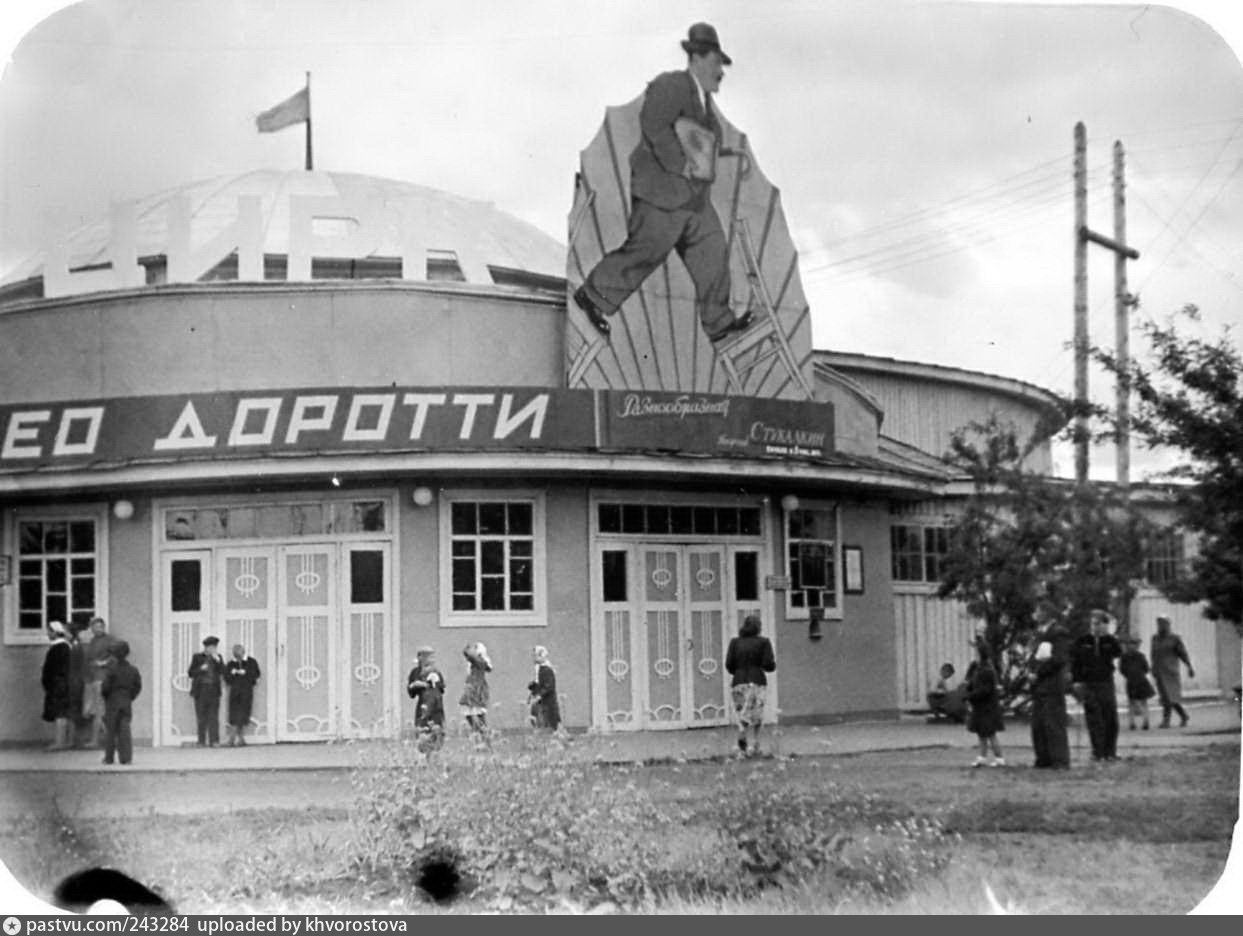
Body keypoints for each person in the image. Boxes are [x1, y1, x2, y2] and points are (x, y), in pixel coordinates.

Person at [572, 23, 756, 346]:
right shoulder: (672, 85)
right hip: (660, 194)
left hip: (693, 200)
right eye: (717, 63)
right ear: (698, 58)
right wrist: (681, 163)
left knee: (712, 249)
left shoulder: (705, 104)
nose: (721, 72)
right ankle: (592, 295)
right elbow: (653, 124)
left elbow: (697, 142)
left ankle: (719, 322)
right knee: (645, 251)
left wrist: (727, 154)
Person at [1070, 609, 1123, 762]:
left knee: (1110, 717)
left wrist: (1108, 636)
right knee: (1094, 717)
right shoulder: (1083, 641)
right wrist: (1076, 681)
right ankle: (1097, 751)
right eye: (1093, 624)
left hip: (1105, 682)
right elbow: (1076, 663)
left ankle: (1110, 751)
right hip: (1089, 683)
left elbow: (1118, 654)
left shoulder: (1110, 641)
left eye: (1099, 624)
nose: (1096, 627)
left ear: (1105, 625)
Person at [724, 613, 776, 758]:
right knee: (756, 713)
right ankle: (756, 744)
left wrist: (739, 671)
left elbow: (729, 664)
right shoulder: (764, 642)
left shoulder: (734, 642)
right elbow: (768, 665)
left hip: (739, 680)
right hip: (757, 680)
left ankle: (742, 738)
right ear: (758, 628)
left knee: (742, 712)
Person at [1028, 635, 1070, 769]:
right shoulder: (1036, 661)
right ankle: (1044, 758)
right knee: (1039, 728)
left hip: (1051, 695)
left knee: (1054, 728)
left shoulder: (1053, 661)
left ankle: (1059, 760)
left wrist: (1036, 676)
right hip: (1041, 695)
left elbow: (1056, 664)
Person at [964, 635, 1006, 767]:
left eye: (976, 652)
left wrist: (970, 696)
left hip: (988, 707)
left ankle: (999, 758)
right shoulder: (978, 668)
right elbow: (972, 682)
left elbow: (985, 690)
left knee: (990, 733)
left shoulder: (987, 669)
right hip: (980, 706)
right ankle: (982, 756)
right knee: (981, 733)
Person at [1150, 615, 1195, 728]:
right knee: (1165, 698)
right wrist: (1153, 668)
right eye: (1159, 624)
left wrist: (1189, 666)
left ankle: (1172, 718)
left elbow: (1182, 653)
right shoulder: (1155, 638)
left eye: (1164, 623)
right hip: (1160, 671)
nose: (1161, 626)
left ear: (1169, 625)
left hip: (1171, 671)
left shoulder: (1174, 638)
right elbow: (1153, 654)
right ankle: (1177, 717)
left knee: (1172, 697)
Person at [101, 640, 141, 766]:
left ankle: (109, 758)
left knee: (111, 730)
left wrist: (106, 697)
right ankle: (126, 758)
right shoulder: (133, 670)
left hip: (112, 701)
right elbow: (137, 686)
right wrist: (129, 697)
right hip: (126, 700)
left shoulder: (111, 670)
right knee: (125, 730)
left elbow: (105, 688)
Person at [80, 617, 117, 748]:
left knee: (100, 710)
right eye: (95, 627)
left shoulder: (110, 640)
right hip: (93, 678)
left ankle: (97, 740)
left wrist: (104, 663)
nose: (98, 629)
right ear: (91, 629)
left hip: (103, 678)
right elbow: (87, 661)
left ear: (104, 627)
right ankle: (109, 740)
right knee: (96, 710)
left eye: (100, 626)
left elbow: (118, 655)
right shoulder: (93, 641)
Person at [41, 620, 74, 751]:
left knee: (60, 713)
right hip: (58, 683)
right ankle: (61, 741)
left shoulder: (60, 647)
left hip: (58, 684)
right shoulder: (61, 646)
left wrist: (52, 682)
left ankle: (59, 742)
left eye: (49, 631)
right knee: (60, 713)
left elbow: (57, 668)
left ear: (55, 632)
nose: (48, 633)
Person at [407, 646, 446, 752]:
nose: (430, 660)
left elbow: (441, 687)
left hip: (435, 704)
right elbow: (411, 692)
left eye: (431, 657)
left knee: (435, 729)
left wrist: (426, 685)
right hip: (422, 703)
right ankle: (424, 751)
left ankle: (435, 752)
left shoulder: (435, 671)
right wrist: (414, 686)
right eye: (427, 657)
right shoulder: (415, 672)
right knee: (422, 727)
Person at [188, 635, 225, 747]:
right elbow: (190, 673)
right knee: (201, 716)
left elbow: (224, 671)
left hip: (214, 690)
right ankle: (201, 741)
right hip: (201, 690)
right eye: (211, 647)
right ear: (206, 647)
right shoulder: (197, 657)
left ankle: (214, 741)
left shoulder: (218, 657)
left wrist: (218, 660)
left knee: (214, 716)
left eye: (215, 647)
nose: (214, 649)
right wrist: (200, 669)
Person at [222, 644, 261, 746]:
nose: (237, 658)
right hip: (235, 692)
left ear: (243, 653)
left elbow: (256, 675)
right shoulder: (231, 664)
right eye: (236, 656)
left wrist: (246, 673)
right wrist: (233, 673)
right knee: (234, 715)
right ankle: (239, 739)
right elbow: (226, 678)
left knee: (243, 714)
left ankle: (234, 738)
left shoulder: (251, 662)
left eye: (239, 655)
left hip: (246, 692)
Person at [459, 641, 493, 748]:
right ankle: (479, 737)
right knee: (469, 714)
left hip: (476, 690)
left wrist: (467, 651)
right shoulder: (475, 663)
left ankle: (485, 739)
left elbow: (471, 657)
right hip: (471, 688)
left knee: (478, 715)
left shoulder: (480, 661)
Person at [1118, 635, 1156, 731]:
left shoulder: (1141, 656)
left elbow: (1146, 668)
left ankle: (1146, 721)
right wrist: (1129, 675)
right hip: (1131, 681)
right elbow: (1122, 669)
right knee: (1131, 702)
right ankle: (1132, 723)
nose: (1132, 646)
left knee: (1144, 701)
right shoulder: (1124, 657)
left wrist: (1139, 674)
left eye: (1134, 644)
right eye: (1130, 644)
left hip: (1141, 681)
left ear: (1137, 646)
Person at [527, 645, 563, 734]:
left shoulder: (547, 669)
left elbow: (549, 686)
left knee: (548, 723)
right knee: (538, 720)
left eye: (535, 655)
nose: (533, 658)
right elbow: (539, 682)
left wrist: (539, 695)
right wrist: (532, 689)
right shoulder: (539, 669)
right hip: (541, 702)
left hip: (547, 702)